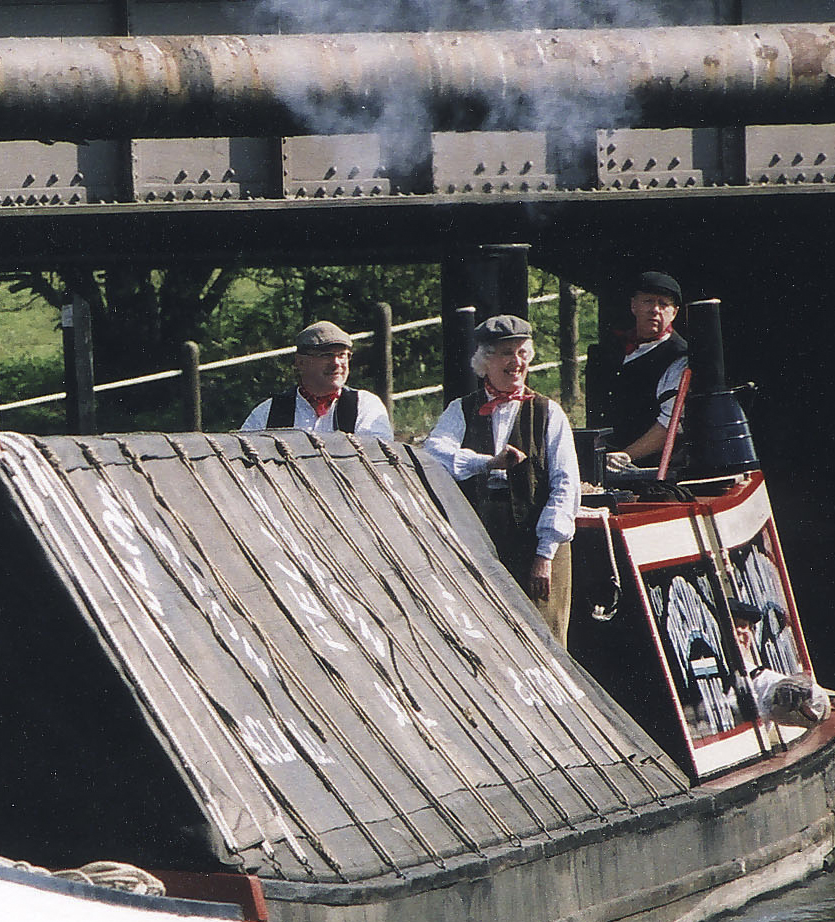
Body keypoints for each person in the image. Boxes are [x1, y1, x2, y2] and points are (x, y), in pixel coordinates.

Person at [424, 313, 580, 645]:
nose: (516, 362)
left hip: (537, 544)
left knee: (544, 640)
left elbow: (566, 486)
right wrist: (487, 463)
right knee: (484, 637)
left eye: (522, 353)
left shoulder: (548, 412)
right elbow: (433, 453)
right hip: (481, 541)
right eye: (506, 353)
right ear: (484, 360)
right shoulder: (461, 410)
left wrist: (545, 553)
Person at [593, 271, 690, 473]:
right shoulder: (614, 349)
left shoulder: (679, 358)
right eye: (648, 301)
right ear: (633, 306)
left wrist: (626, 455)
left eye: (663, 304)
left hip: (651, 471)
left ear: (674, 312)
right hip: (605, 465)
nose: (655, 310)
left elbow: (670, 423)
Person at [240, 320, 394, 438]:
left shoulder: (365, 406)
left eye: (342, 355)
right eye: (326, 355)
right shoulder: (268, 413)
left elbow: (379, 460)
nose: (336, 363)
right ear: (300, 362)